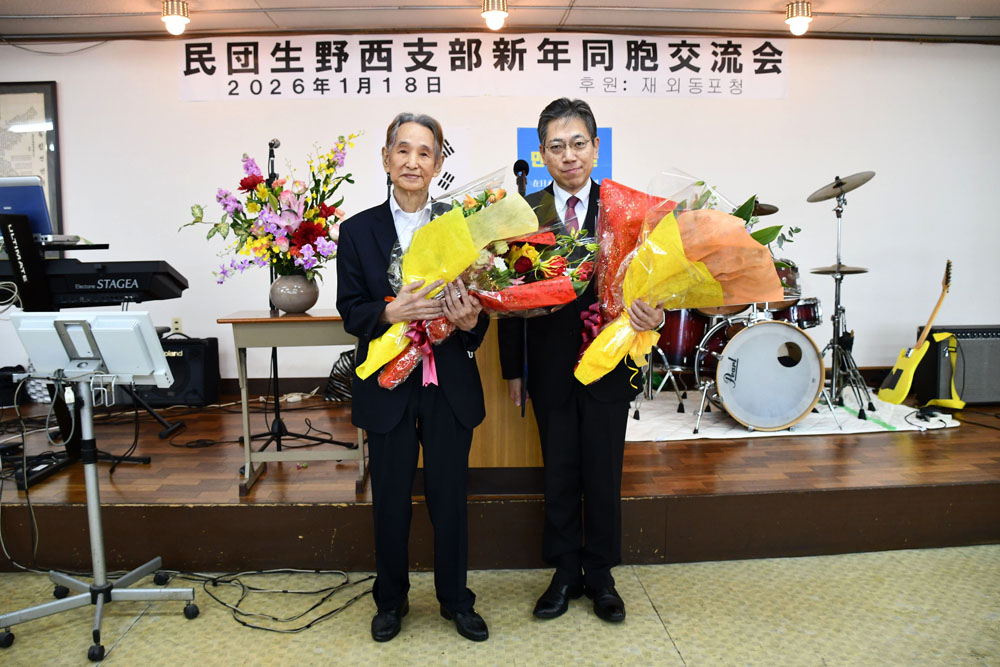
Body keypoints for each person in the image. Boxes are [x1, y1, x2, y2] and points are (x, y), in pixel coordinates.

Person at [498, 98, 664, 623]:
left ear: (595, 148)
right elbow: (506, 297)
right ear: (542, 154)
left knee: (603, 470)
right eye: (556, 146)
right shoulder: (524, 214)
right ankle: (565, 571)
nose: (568, 155)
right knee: (560, 470)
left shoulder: (626, 211)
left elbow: (655, 284)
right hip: (550, 364)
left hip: (610, 361)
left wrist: (656, 312)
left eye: (577, 144)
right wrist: (513, 369)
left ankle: (602, 575)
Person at [336, 112, 490, 643]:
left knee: (450, 499)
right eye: (402, 150)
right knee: (390, 501)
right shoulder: (357, 231)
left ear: (438, 162)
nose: (412, 162)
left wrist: (469, 323)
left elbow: (482, 309)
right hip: (388, 386)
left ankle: (456, 599)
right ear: (386, 159)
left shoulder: (462, 226)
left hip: (448, 384)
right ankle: (390, 600)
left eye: (425, 152)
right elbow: (350, 310)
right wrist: (389, 312)